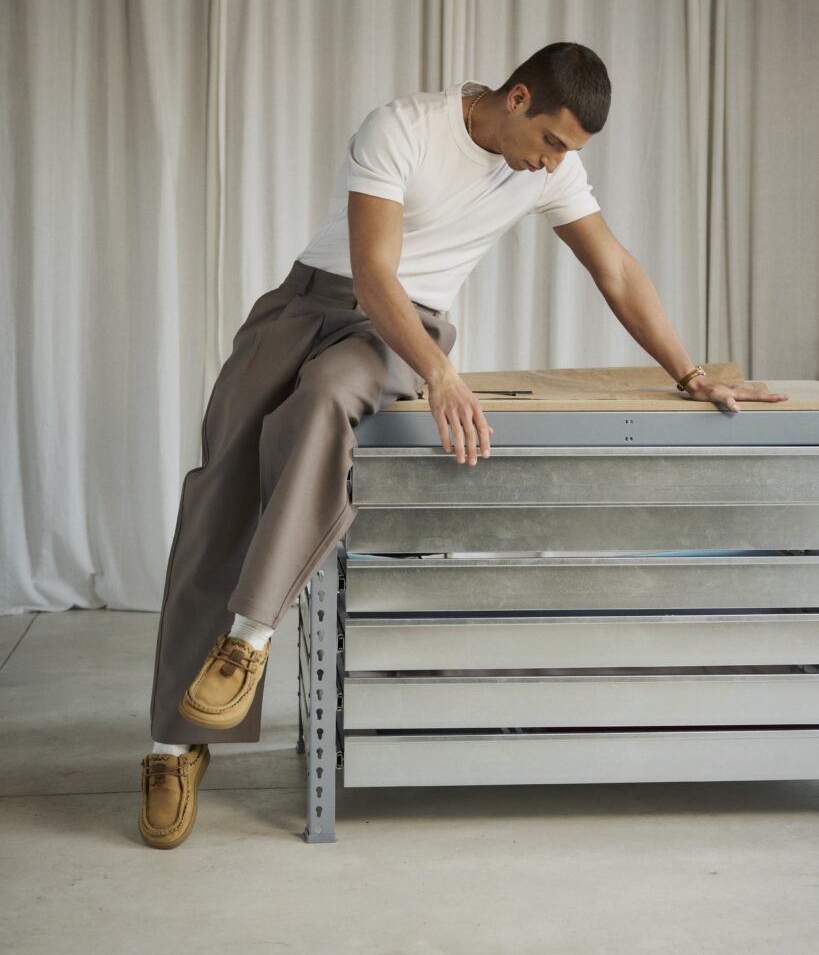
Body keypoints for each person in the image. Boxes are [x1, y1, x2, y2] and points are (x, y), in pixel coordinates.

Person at [138, 42, 787, 848]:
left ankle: (248, 639)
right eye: (551, 141)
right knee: (217, 498)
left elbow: (615, 270)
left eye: (568, 152)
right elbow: (372, 273)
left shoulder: (550, 172)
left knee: (328, 397)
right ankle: (172, 746)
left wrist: (688, 371)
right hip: (307, 306)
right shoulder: (403, 128)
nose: (553, 164)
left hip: (401, 330)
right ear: (516, 99)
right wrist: (442, 375)